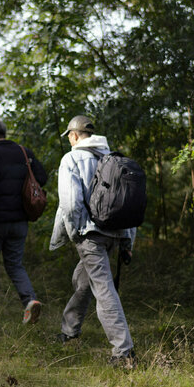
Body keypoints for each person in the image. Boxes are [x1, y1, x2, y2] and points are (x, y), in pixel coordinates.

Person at [51, 115, 138, 369]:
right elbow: (127, 203)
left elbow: (70, 202)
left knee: (103, 290)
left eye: (69, 135)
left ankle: (124, 353)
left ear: (75, 135)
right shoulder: (112, 158)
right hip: (114, 233)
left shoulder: (72, 158)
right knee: (83, 281)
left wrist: (77, 231)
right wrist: (127, 242)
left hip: (89, 234)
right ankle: (69, 332)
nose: (68, 139)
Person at [0, 118, 48, 323]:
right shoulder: (24, 152)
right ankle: (30, 301)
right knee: (15, 265)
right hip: (20, 221)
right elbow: (41, 177)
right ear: (4, 133)